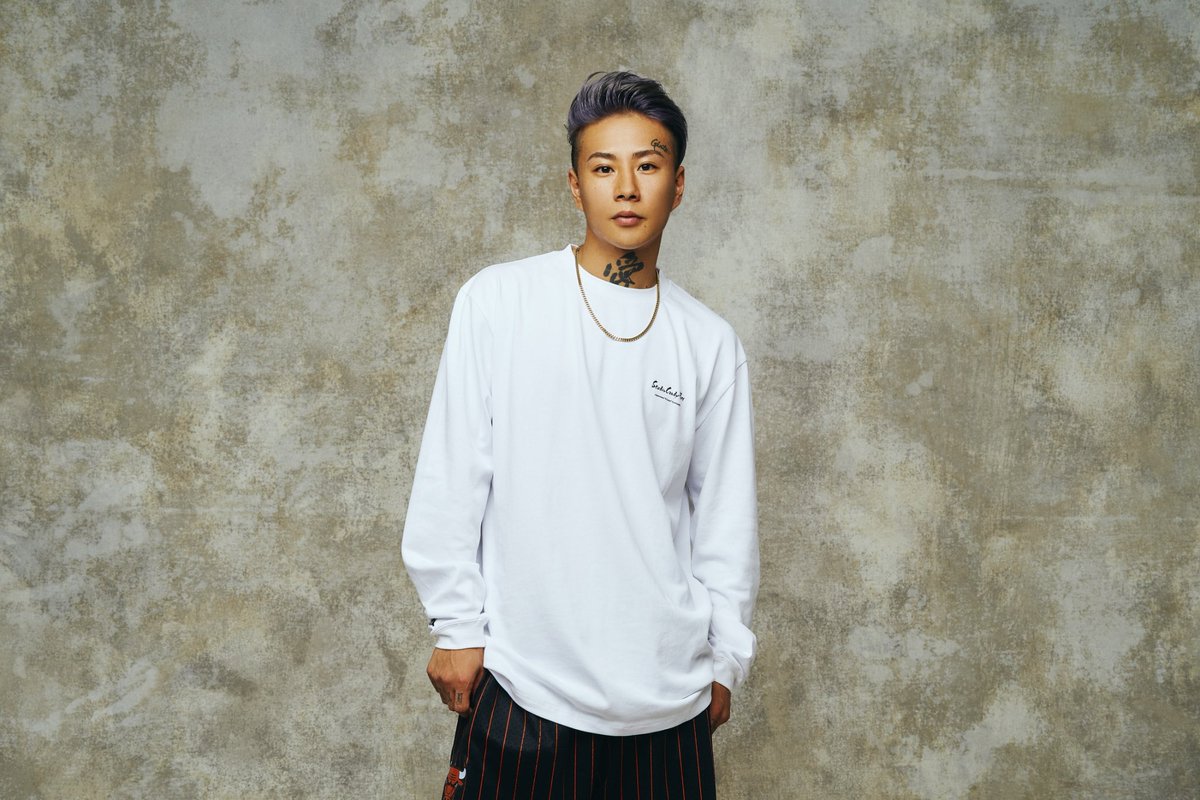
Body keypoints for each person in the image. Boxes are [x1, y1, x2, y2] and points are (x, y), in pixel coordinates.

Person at [401, 70, 759, 799]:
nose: (626, 188)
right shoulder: (500, 302)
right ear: (575, 185)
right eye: (603, 168)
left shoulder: (709, 342)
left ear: (678, 186)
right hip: (525, 688)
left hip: (668, 703)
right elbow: (452, 471)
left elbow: (725, 522)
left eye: (647, 166)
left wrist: (726, 660)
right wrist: (455, 624)